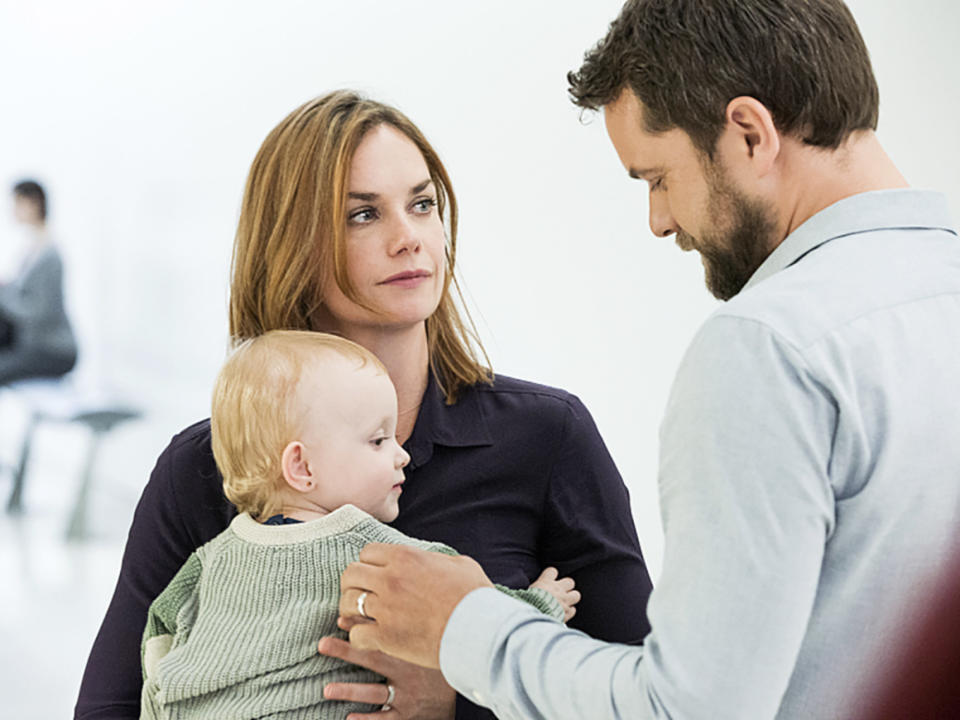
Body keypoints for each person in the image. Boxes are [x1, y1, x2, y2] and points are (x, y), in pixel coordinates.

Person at [334, 1, 960, 719]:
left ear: (750, 134)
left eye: (658, 179)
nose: (660, 221)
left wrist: (464, 627)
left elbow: (687, 710)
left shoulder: (769, 349)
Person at [76, 91, 654, 720]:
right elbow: (112, 705)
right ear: (293, 246)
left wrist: (460, 702)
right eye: (362, 215)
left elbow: (646, 695)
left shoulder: (547, 437)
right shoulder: (200, 467)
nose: (409, 239)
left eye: (423, 204)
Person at [140, 330, 577, 719]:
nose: (401, 455)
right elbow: (479, 615)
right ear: (302, 466)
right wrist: (543, 604)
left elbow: (159, 633)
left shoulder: (209, 559)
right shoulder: (380, 551)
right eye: (378, 440)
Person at [0, 180, 77, 382]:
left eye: (17, 203)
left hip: (53, 349)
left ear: (33, 203)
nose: (13, 211)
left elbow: (39, 312)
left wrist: (4, 297)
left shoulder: (50, 254)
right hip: (32, 344)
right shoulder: (32, 249)